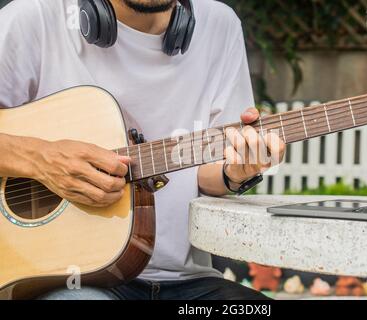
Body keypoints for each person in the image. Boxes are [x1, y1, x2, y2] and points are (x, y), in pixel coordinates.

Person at [0, 0, 285, 300]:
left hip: (187, 281)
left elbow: (205, 172)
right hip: (65, 281)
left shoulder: (219, 26)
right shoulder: (33, 17)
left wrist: (235, 172)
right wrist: (41, 159)